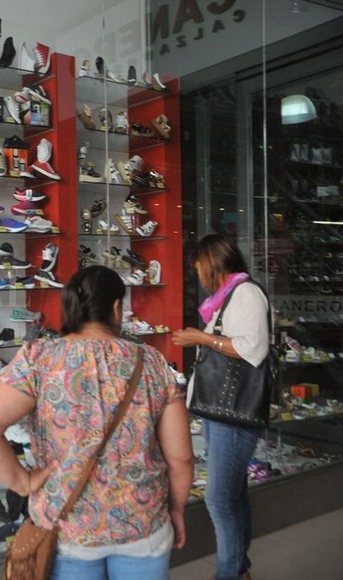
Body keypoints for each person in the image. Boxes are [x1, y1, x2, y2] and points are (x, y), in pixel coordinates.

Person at [0, 265, 193, 579]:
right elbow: (181, 458)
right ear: (116, 307)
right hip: (142, 523)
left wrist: (22, 483)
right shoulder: (152, 362)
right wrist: (177, 509)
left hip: (68, 526)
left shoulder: (40, 358)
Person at [173, 234, 270, 580]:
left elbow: (252, 349)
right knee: (233, 495)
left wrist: (200, 337)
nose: (197, 272)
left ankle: (228, 573)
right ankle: (239, 569)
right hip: (221, 411)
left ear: (211, 262)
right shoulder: (226, 297)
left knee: (218, 499)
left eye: (198, 264)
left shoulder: (245, 294)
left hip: (233, 413)